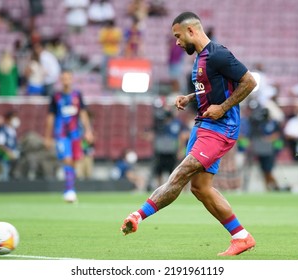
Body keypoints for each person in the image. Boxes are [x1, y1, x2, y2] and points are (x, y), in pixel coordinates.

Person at [120, 12, 257, 256]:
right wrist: (192, 96)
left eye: (178, 36)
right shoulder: (201, 58)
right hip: (204, 126)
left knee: (182, 171)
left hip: (220, 128)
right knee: (200, 188)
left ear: (191, 31)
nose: (177, 42)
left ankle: (137, 216)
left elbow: (249, 82)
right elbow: (214, 88)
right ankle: (241, 237)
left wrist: (224, 107)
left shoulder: (218, 54)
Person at [44, 69, 94, 202]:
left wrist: (88, 131)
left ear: (71, 79)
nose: (66, 81)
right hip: (61, 133)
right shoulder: (55, 96)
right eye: (63, 78)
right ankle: (69, 191)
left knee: (74, 161)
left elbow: (83, 113)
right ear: (61, 80)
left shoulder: (77, 95)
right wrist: (47, 137)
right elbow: (51, 117)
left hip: (75, 133)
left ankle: (69, 189)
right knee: (66, 159)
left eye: (68, 78)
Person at [0, 111, 21, 181]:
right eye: (13, 118)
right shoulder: (3, 130)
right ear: (8, 119)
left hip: (10, 159)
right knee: (3, 177)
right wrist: (9, 152)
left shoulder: (13, 131)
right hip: (3, 158)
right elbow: (0, 144)